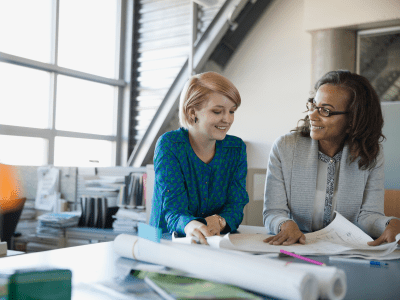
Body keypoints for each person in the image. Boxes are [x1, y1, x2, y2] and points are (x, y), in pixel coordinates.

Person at [263, 70, 400, 246]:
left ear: (353, 121)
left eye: (325, 111)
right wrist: (285, 224)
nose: (312, 115)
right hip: (298, 247)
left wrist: (390, 223)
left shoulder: (371, 153)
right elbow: (273, 212)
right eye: (313, 105)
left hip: (346, 250)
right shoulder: (284, 147)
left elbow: (368, 216)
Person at [150, 71, 249, 244]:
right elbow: (173, 211)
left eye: (232, 111)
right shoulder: (169, 145)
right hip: (161, 240)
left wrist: (220, 221)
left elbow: (236, 204)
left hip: (213, 241)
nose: (227, 119)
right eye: (217, 111)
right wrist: (190, 225)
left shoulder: (236, 148)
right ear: (192, 112)